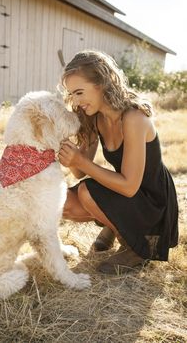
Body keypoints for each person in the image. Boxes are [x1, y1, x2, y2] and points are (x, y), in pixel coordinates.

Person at [58, 50, 179, 274]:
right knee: (64, 204)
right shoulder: (94, 117)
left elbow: (129, 185)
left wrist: (80, 162)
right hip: (126, 196)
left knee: (86, 192)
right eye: (72, 94)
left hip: (152, 202)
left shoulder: (134, 118)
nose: (75, 101)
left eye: (79, 92)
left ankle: (138, 247)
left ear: (102, 83)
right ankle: (114, 228)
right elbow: (77, 172)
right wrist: (70, 154)